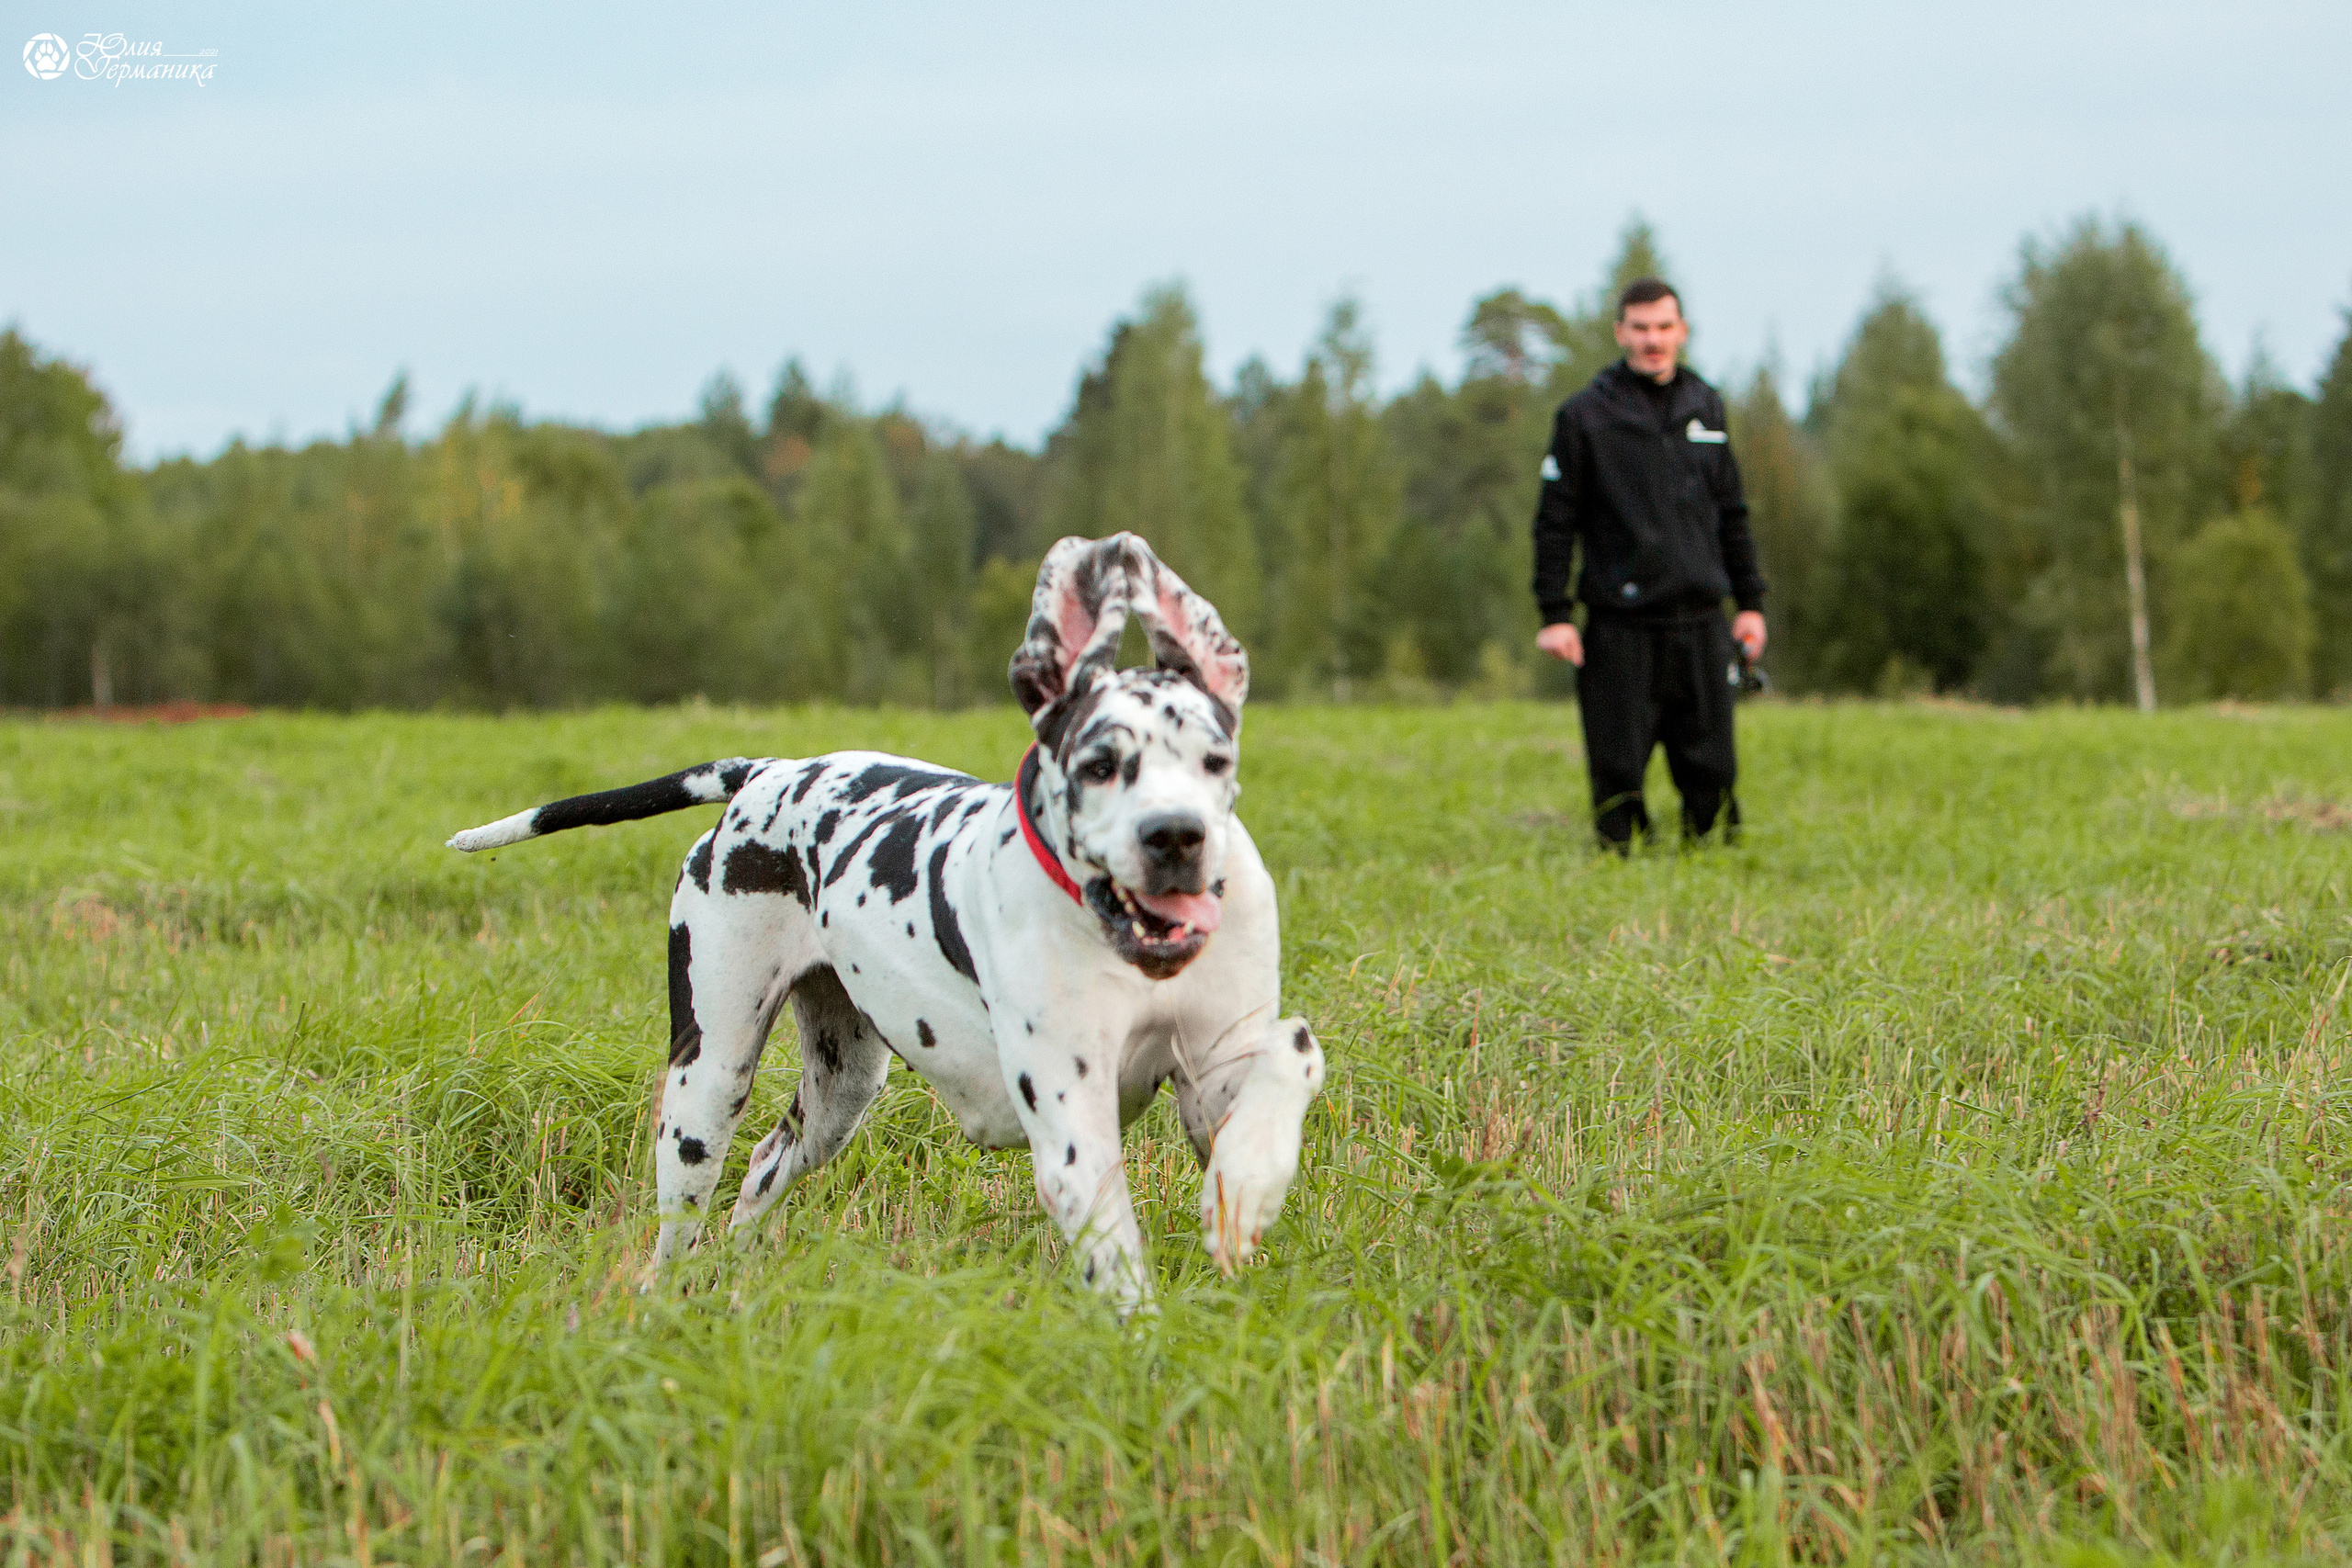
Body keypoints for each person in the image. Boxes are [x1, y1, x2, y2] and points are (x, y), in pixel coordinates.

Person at [1530, 277, 1767, 850]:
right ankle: (1619, 868)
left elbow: (1731, 512)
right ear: (1620, 334)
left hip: (1701, 619)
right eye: (1640, 328)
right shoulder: (1584, 416)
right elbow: (1554, 523)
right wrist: (1555, 612)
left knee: (1711, 765)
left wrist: (1751, 604)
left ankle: (1709, 858)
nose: (1652, 340)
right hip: (1620, 623)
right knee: (1617, 768)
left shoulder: (1705, 406)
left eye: (1664, 327)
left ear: (1682, 332)